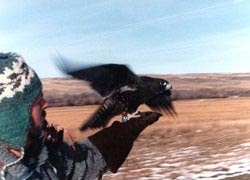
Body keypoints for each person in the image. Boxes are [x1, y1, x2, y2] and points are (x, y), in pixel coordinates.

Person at [0, 52, 162, 179]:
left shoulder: (38, 157)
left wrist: (125, 132)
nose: (45, 104)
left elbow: (83, 163)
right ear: (13, 114)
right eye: (37, 100)